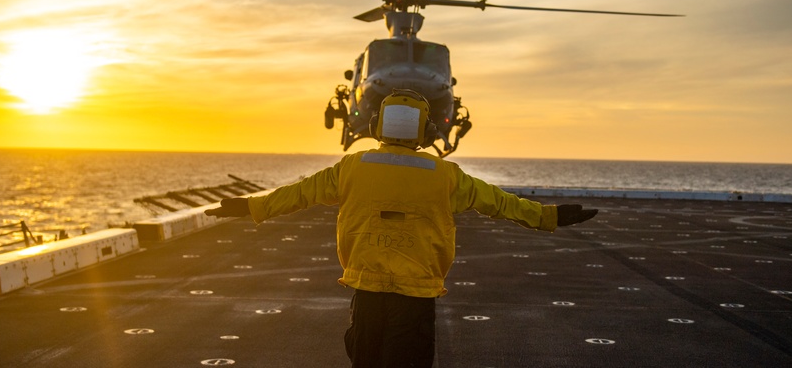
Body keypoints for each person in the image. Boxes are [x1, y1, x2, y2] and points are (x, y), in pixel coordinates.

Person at [206, 89, 599, 368]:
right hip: (416, 292)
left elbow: (298, 194)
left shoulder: (352, 167)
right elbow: (500, 203)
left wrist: (250, 206)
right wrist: (548, 217)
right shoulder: (445, 174)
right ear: (426, 132)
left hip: (366, 288)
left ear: (377, 124)